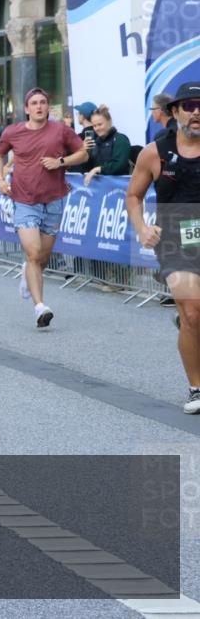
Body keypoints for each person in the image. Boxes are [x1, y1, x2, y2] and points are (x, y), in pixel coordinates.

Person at [127, 82, 200, 414]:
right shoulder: (155, 152)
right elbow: (133, 196)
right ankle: (197, 388)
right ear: (175, 112)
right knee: (192, 313)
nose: (196, 112)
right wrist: (142, 228)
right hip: (174, 240)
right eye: (189, 105)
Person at [0, 88, 88, 328]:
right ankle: (39, 307)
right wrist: (0, 180)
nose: (38, 107)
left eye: (43, 102)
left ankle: (29, 270)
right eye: (34, 103)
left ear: (48, 106)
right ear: (26, 109)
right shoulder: (13, 132)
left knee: (42, 257)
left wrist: (61, 162)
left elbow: (83, 153)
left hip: (54, 199)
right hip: (24, 200)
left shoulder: (61, 130)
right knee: (34, 252)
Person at [82, 105, 131, 184]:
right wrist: (83, 151)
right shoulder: (94, 142)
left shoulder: (120, 139)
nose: (97, 128)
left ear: (110, 121)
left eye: (100, 124)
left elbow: (119, 165)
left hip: (119, 188)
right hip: (98, 188)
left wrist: (98, 169)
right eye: (94, 126)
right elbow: (84, 169)